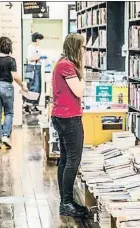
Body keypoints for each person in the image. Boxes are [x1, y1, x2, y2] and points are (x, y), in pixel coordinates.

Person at [51, 33, 88, 218]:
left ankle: (66, 200)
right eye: (83, 47)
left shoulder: (64, 63)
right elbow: (79, 90)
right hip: (68, 117)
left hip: (62, 116)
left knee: (66, 160)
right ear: (76, 47)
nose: (85, 50)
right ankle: (66, 202)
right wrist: (83, 68)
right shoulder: (67, 65)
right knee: (73, 160)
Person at [24, 32, 44, 113]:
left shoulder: (37, 47)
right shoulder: (30, 47)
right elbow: (30, 58)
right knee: (33, 86)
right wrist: (38, 57)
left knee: (38, 87)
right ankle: (28, 105)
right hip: (32, 67)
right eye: (39, 39)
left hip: (38, 67)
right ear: (36, 39)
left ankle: (35, 105)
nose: (40, 41)